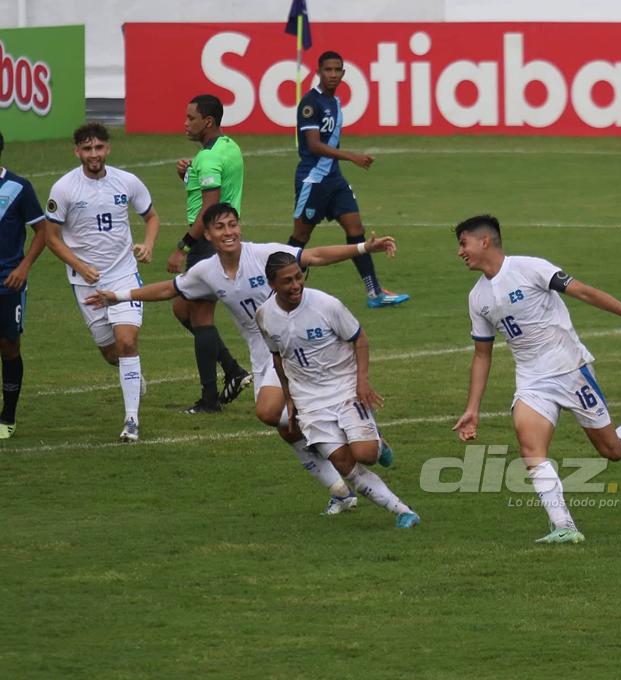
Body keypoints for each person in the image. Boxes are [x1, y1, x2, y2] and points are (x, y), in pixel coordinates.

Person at [87, 203, 397, 514]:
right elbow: (170, 289)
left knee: (272, 410)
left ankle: (363, 437)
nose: (229, 232)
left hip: (293, 348)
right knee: (285, 425)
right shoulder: (206, 271)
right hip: (262, 353)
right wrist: (118, 296)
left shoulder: (263, 255)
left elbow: (314, 256)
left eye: (233, 224)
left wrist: (363, 247)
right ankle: (340, 489)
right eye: (220, 227)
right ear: (207, 234)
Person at [452, 214, 621, 544]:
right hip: (532, 381)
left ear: (484, 241)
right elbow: (482, 354)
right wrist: (472, 408)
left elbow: (584, 292)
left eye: (464, 243)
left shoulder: (530, 268)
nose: (460, 252)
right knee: (531, 448)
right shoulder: (477, 298)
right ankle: (565, 527)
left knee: (612, 450)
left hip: (571, 369)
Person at [257, 252, 419, 528]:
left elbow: (360, 339)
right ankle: (402, 511)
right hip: (309, 402)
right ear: (271, 284)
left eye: (299, 277)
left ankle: (378, 444)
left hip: (345, 389)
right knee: (345, 464)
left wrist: (362, 382)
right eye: (287, 281)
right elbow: (277, 357)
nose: (296, 284)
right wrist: (289, 396)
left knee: (365, 454)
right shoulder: (265, 316)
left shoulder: (326, 304)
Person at [43, 122, 159, 442]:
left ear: (108, 148)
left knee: (126, 342)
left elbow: (151, 216)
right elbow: (51, 238)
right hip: (86, 282)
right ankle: (133, 377)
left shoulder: (127, 182)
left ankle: (131, 421)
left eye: (98, 148)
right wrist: (80, 266)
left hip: (123, 274)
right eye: (87, 149)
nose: (93, 154)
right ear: (77, 151)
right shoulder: (64, 189)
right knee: (112, 354)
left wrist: (148, 244)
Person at [287, 50, 408, 309]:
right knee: (300, 237)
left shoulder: (336, 102)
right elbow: (314, 145)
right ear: (318, 72)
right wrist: (351, 156)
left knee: (356, 230)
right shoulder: (311, 104)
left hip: (335, 180)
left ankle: (374, 292)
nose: (332, 74)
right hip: (314, 180)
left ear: (343, 73)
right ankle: (272, 286)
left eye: (337, 70)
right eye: (327, 70)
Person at [166, 94, 250, 414]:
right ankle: (232, 370)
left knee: (200, 317)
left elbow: (210, 208)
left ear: (208, 122)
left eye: (191, 118)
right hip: (220, 240)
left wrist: (183, 246)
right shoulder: (228, 147)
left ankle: (209, 400)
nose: (186, 123)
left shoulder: (209, 159)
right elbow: (214, 188)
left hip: (207, 242)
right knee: (181, 309)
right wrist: (187, 175)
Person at [0, 130, 47, 439]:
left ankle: (8, 416)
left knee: (8, 345)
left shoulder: (18, 187)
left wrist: (24, 266)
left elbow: (42, 231)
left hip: (8, 283)